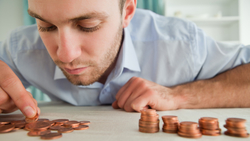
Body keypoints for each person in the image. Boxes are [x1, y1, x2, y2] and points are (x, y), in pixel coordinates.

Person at [0, 0, 250, 119]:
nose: (65, 55)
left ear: (127, 13)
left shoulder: (183, 44)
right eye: (45, 26)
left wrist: (179, 95)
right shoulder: (19, 48)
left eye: (88, 26)